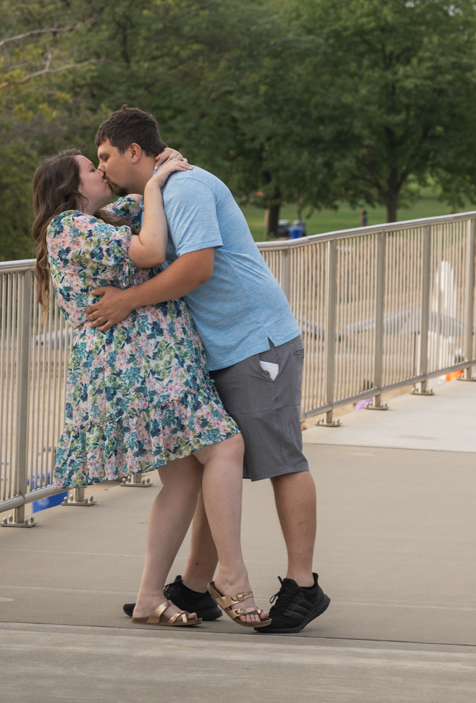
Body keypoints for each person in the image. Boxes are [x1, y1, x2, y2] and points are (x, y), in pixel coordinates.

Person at [87, 106, 330, 635]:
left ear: (135, 152)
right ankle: (195, 588)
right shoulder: (155, 192)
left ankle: (303, 586)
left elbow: (198, 266)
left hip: (254, 339)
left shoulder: (186, 188)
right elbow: (98, 223)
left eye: (105, 156)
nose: (101, 167)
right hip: (217, 349)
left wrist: (127, 301)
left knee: (281, 459)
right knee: (217, 467)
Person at [34, 147, 266, 629]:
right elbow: (151, 251)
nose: (101, 171)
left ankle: (148, 599)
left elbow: (149, 206)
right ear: (72, 188)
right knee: (226, 445)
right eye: (91, 168)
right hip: (141, 366)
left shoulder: (107, 217)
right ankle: (232, 574)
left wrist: (156, 175)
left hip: (157, 361)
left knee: (183, 479)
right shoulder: (68, 228)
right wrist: (156, 185)